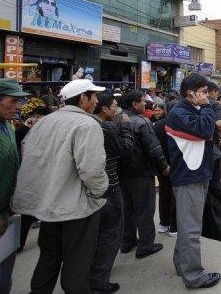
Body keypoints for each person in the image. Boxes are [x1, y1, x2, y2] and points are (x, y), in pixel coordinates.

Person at [12, 79, 108, 294]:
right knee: (77, 263)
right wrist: (100, 192)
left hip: (48, 205)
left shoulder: (45, 122)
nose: (97, 101)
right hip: (76, 208)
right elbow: (92, 170)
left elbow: (30, 157)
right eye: (94, 96)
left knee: (49, 256)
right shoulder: (87, 124)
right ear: (83, 98)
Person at [165, 74, 221, 289]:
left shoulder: (188, 110)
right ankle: (194, 275)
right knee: (191, 230)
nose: (208, 97)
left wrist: (205, 107)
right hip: (189, 176)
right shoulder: (180, 112)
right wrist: (207, 106)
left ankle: (182, 264)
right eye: (204, 92)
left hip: (196, 173)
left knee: (188, 225)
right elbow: (207, 130)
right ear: (191, 94)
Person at [0, 79, 29, 293]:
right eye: (13, 101)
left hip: (5, 211)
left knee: (2, 273)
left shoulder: (6, 126)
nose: (18, 106)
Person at [90, 93, 135, 293]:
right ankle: (99, 280)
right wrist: (125, 126)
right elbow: (126, 149)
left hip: (91, 187)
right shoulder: (105, 127)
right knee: (111, 234)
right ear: (105, 109)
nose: (118, 110)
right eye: (115, 106)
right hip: (108, 185)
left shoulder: (87, 124)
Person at [118, 91, 170, 259]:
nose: (145, 104)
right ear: (134, 104)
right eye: (142, 101)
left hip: (121, 173)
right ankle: (146, 245)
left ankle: (127, 241)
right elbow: (154, 149)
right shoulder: (142, 122)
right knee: (145, 209)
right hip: (141, 172)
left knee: (127, 208)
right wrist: (164, 166)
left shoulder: (114, 120)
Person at [15, 106, 51, 253]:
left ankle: (24, 243)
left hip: (40, 175)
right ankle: (19, 243)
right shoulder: (24, 130)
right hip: (30, 176)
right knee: (28, 214)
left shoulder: (37, 129)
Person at [153, 103, 178, 238]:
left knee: (164, 193)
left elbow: (154, 147)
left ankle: (164, 223)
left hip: (162, 165)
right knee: (176, 195)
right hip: (177, 165)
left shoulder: (157, 125)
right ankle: (174, 226)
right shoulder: (180, 124)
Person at [206, 82, 221, 194]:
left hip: (197, 145)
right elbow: (219, 123)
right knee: (214, 177)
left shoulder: (194, 103)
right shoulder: (215, 104)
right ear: (213, 91)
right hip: (212, 144)